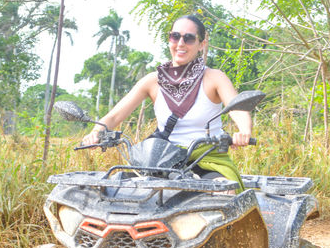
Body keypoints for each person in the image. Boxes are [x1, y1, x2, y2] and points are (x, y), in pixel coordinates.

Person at [81, 15, 252, 191]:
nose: (181, 43)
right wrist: (96, 132)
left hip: (206, 161)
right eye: (175, 36)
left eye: (189, 38)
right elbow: (115, 115)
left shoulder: (214, 77)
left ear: (201, 44)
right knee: (116, 192)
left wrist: (244, 131)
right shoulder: (153, 80)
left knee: (225, 192)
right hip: (162, 162)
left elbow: (237, 108)